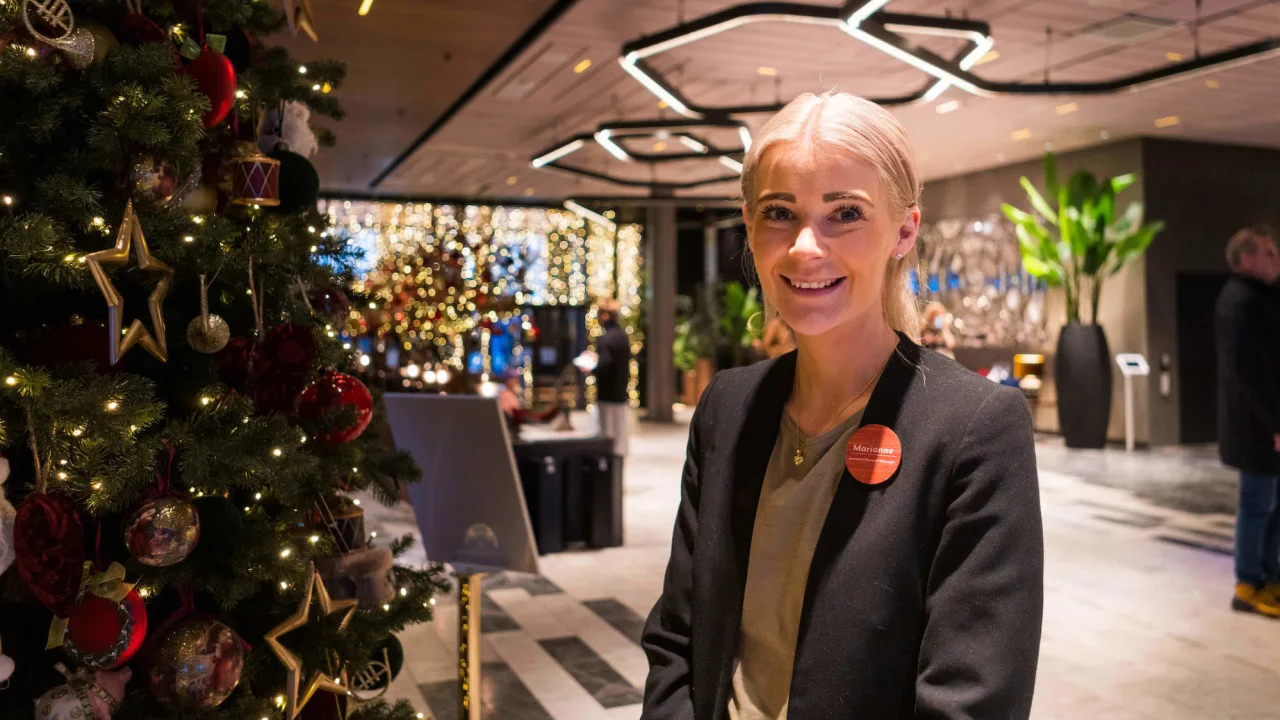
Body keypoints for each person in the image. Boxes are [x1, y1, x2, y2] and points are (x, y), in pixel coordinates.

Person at [640, 92, 1043, 720]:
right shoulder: (729, 406)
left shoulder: (973, 429)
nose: (805, 245)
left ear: (904, 230)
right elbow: (679, 639)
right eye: (780, 212)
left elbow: (972, 699)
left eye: (845, 213)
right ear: (749, 224)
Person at [1215, 225, 1280, 618]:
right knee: (1257, 505)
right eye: (1269, 252)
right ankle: (1247, 582)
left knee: (1274, 506)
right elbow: (1250, 373)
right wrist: (1275, 425)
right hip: (1257, 428)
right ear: (1246, 259)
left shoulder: (1262, 298)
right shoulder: (1240, 301)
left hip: (1268, 426)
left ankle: (1270, 576)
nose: (1276, 258)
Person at [593, 298, 632, 458]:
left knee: (607, 438)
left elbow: (604, 365)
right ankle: (617, 473)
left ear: (605, 315)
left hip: (607, 395)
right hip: (621, 395)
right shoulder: (623, 337)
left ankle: (608, 476)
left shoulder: (606, 339)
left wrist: (592, 367)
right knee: (620, 439)